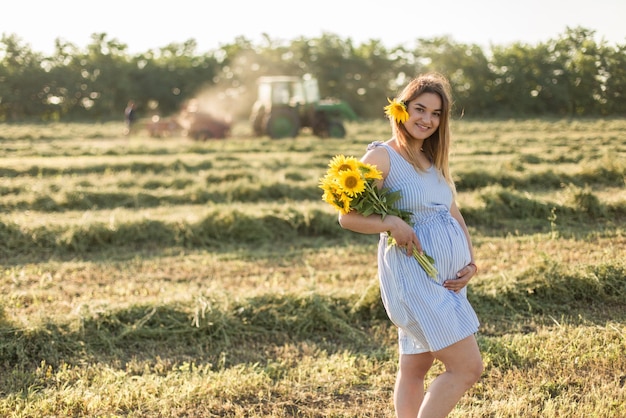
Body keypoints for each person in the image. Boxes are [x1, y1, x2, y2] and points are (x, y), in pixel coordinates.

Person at [338, 73, 483, 418]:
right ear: (401, 110)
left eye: (436, 114)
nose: (427, 120)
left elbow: (452, 212)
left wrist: (471, 262)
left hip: (445, 282)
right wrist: (390, 222)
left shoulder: (432, 160)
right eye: (420, 109)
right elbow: (347, 217)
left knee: (415, 368)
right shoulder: (382, 157)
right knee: (467, 368)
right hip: (415, 281)